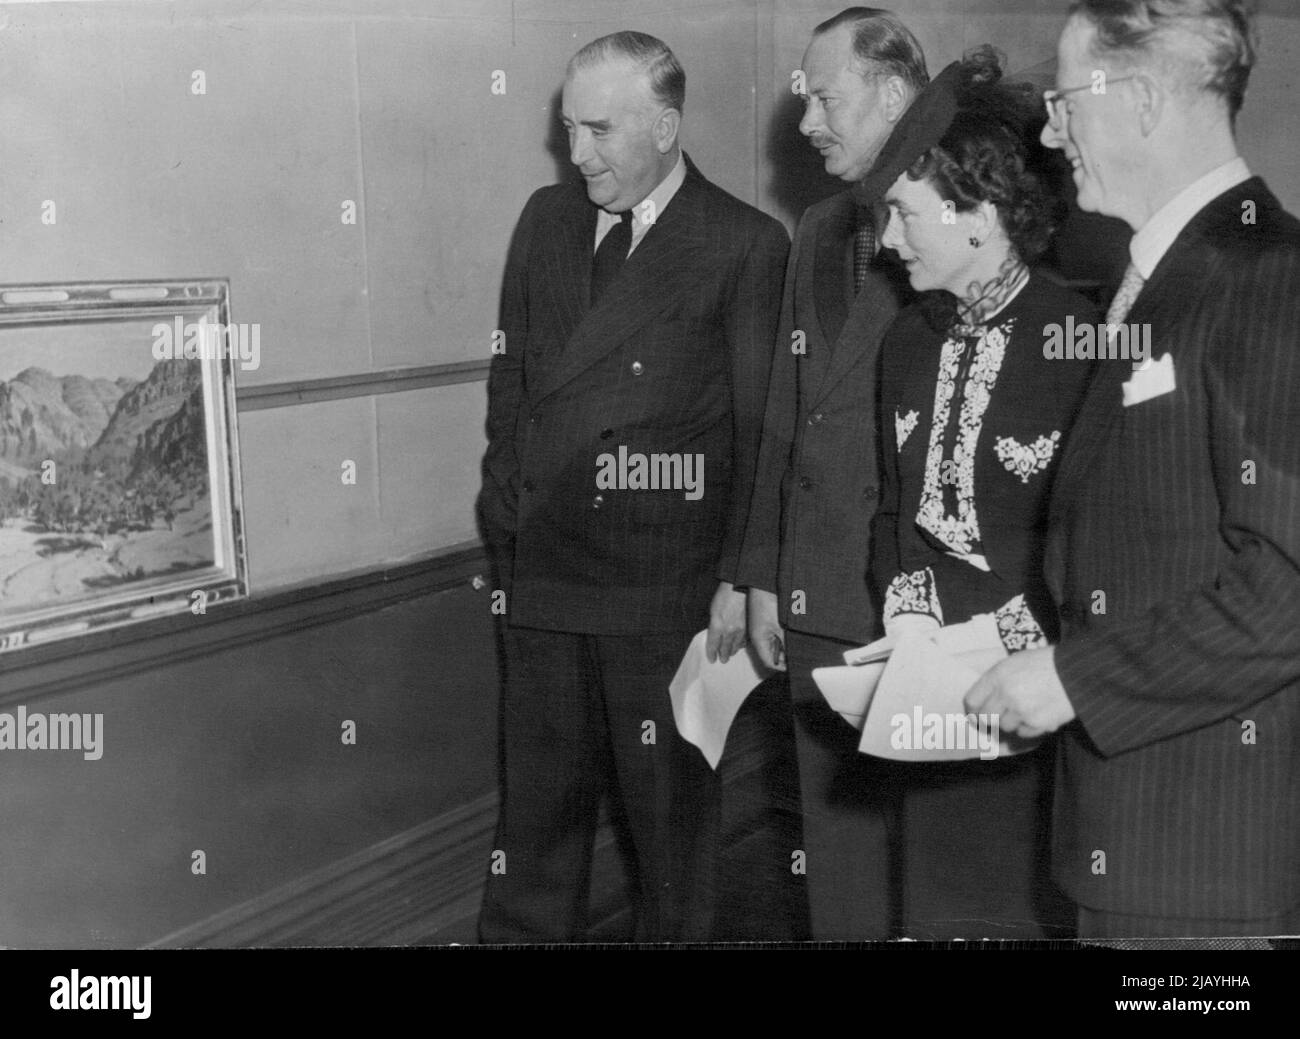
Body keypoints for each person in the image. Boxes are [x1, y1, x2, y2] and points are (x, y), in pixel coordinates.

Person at [967, 0, 1300, 938]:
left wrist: (1077, 679)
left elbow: (1290, 585)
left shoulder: (1265, 274)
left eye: (1067, 100)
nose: (1048, 127)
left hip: (1207, 854)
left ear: (1144, 99)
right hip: (1137, 833)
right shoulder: (1163, 273)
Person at [475, 31, 789, 943]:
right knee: (532, 827)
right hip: (541, 573)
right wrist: (506, 499)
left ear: (665, 125)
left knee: (667, 832)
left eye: (600, 131)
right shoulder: (546, 220)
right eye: (569, 128)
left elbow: (758, 427)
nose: (578, 155)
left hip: (664, 588)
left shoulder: (743, 243)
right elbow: (515, 379)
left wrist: (741, 570)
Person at [869, 49, 1095, 938]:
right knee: (935, 909)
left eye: (905, 214)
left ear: (981, 215)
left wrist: (1019, 647)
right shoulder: (904, 342)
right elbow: (896, 513)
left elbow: (1106, 536)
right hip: (927, 692)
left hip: (1038, 701)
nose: (887, 241)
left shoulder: (1081, 341)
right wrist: (909, 619)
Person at [735, 5, 927, 941]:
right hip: (817, 598)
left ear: (895, 94)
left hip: (918, 608)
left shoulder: (975, 222)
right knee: (840, 871)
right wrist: (764, 574)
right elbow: (785, 412)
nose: (807, 123)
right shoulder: (815, 228)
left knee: (928, 869)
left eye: (824, 98)